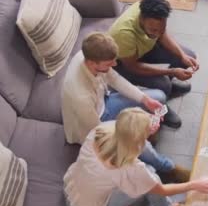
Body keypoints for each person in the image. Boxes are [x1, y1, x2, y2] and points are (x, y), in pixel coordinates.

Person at [61, 33, 189, 183]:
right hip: (95, 127)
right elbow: (98, 131)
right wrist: (141, 128)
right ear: (91, 63)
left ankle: (147, 134)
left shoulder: (87, 55)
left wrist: (145, 99)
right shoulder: (80, 96)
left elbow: (114, 79)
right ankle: (168, 169)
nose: (114, 65)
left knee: (157, 97)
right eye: (109, 63)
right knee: (139, 142)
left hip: (104, 102)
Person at [64, 108, 208, 206]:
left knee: (142, 172)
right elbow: (161, 190)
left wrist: (145, 130)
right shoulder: (131, 168)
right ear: (137, 138)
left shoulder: (100, 130)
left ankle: (165, 167)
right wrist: (194, 185)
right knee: (152, 176)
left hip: (69, 190)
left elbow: (128, 138)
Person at [109, 0, 200, 128]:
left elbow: (162, 35)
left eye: (161, 28)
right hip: (124, 64)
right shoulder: (124, 33)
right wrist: (172, 71)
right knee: (163, 84)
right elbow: (133, 66)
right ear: (141, 18)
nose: (158, 33)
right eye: (153, 30)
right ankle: (161, 109)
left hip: (142, 49)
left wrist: (182, 56)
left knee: (187, 56)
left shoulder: (151, 15)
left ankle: (168, 85)